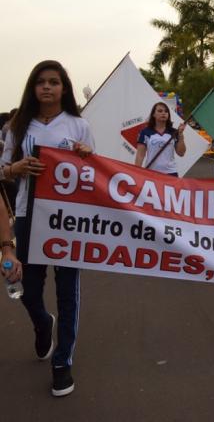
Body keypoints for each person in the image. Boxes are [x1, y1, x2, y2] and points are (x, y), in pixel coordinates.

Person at [1, 60, 95, 396]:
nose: (47, 87)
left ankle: (62, 362)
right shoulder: (18, 126)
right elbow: (2, 170)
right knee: (26, 285)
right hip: (29, 215)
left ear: (64, 88)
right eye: (41, 82)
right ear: (32, 87)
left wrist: (86, 156)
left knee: (68, 290)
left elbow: (92, 174)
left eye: (54, 82)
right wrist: (17, 167)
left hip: (69, 219)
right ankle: (43, 323)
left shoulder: (79, 125)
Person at [134, 102, 186, 176]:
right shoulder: (145, 132)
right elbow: (140, 155)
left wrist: (180, 135)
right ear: (153, 114)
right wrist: (136, 174)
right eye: (160, 111)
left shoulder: (174, 132)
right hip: (151, 173)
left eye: (166, 111)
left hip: (171, 173)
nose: (163, 113)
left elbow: (181, 153)